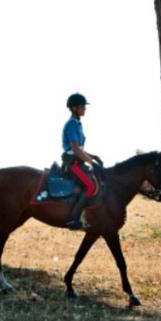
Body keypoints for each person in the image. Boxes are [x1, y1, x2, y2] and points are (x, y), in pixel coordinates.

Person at [61, 92, 101, 229]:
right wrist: (91, 162)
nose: (85, 108)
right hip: (73, 162)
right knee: (90, 186)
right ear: (74, 108)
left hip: (78, 160)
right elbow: (75, 149)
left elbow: (80, 148)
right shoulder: (72, 124)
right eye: (82, 106)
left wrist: (93, 157)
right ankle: (74, 219)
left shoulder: (77, 123)